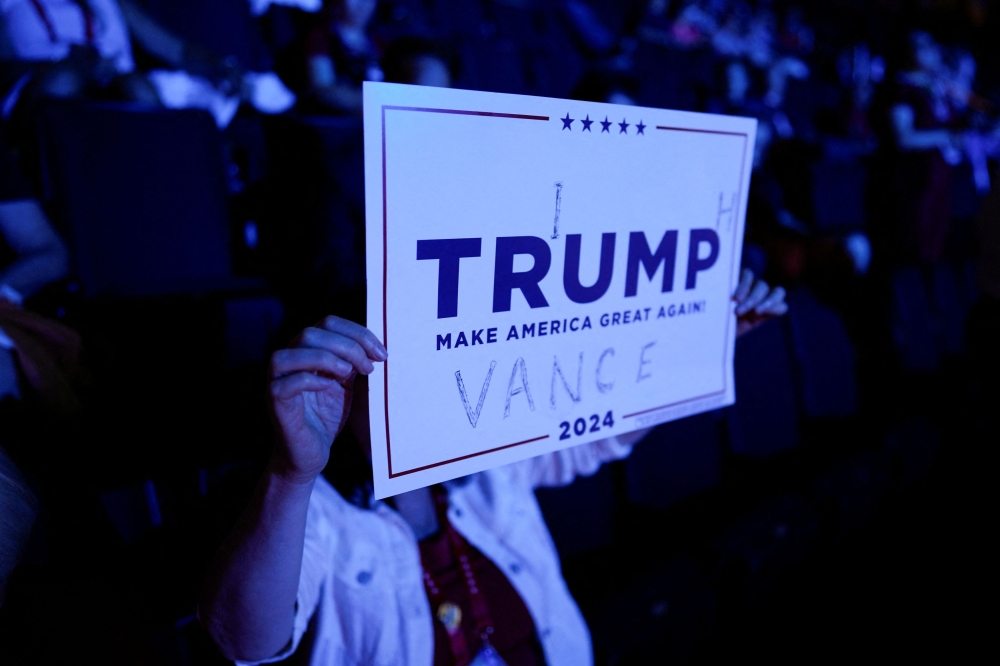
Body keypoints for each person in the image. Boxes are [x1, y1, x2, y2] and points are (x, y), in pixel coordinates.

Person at [200, 270, 787, 666]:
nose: (421, 395)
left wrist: (703, 344)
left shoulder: (484, 457)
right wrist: (290, 476)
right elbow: (245, 642)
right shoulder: (313, 509)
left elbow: (590, 442)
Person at [305, 0, 381, 114]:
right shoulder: (321, 39)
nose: (362, 5)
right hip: (336, 124)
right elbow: (324, 88)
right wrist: (376, 104)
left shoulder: (380, 43)